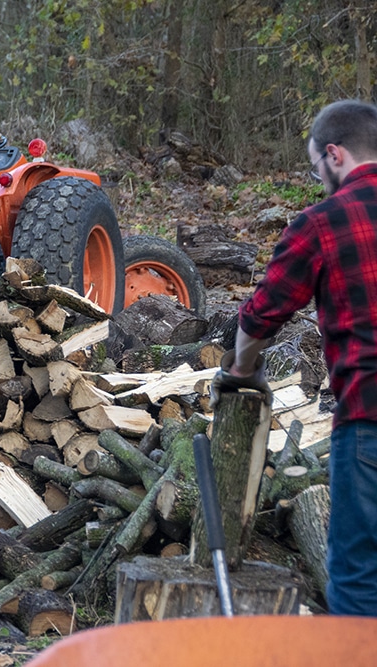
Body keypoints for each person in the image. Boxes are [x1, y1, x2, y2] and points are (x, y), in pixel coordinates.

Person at [222, 99, 377, 616]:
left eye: (316, 167)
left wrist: (241, 370)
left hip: (368, 422)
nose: (319, 179)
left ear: (334, 154)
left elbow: (260, 316)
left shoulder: (325, 222)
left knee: (358, 582)